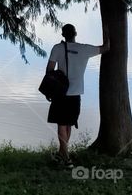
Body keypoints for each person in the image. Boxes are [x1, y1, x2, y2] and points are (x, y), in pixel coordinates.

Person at [45, 23, 109, 166]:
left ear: (63, 35)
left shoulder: (57, 48)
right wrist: (107, 32)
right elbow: (106, 48)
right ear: (75, 33)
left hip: (60, 93)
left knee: (62, 123)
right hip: (76, 93)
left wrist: (50, 89)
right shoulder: (84, 49)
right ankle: (64, 153)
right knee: (68, 124)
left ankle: (65, 157)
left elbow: (49, 70)